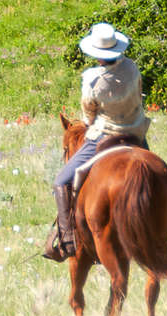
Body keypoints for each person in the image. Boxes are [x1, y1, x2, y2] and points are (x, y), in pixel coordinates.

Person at [43, 22, 150, 262]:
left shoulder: (91, 79)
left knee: (61, 181)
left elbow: (89, 115)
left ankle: (68, 240)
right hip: (136, 133)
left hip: (104, 135)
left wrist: (92, 121)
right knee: (155, 168)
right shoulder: (132, 68)